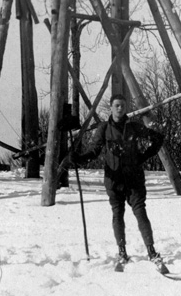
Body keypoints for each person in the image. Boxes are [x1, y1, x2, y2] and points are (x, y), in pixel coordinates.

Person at [70, 94, 169, 273]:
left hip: (133, 179)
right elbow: (94, 151)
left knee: (140, 212)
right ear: (111, 107)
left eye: (123, 106)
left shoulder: (133, 127)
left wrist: (143, 156)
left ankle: (151, 251)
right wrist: (79, 159)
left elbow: (157, 138)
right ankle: (122, 252)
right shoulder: (104, 129)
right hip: (114, 180)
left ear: (126, 108)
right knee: (118, 213)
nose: (120, 109)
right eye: (116, 105)